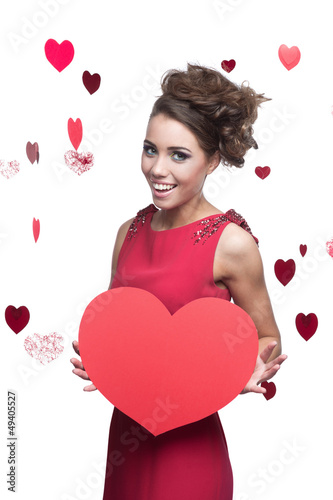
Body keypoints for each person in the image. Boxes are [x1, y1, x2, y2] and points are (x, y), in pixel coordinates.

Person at [70, 62, 287, 500]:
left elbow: (267, 337)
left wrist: (239, 372)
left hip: (190, 450)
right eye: (150, 149)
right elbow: (123, 330)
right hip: (127, 442)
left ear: (213, 160)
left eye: (179, 155)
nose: (157, 168)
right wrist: (102, 360)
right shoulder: (128, 231)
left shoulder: (231, 243)